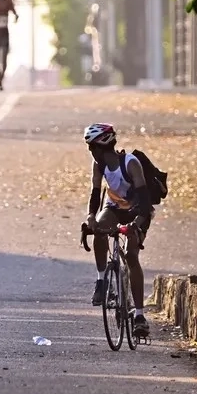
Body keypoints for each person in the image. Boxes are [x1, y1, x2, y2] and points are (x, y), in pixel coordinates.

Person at [81, 122, 152, 338]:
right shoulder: (98, 165)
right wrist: (91, 217)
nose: (90, 152)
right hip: (114, 207)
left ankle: (139, 315)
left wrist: (136, 225)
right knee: (100, 230)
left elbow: (145, 201)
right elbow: (95, 195)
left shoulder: (130, 164)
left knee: (131, 256)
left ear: (103, 146)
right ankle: (102, 281)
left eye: (92, 147)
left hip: (138, 210)